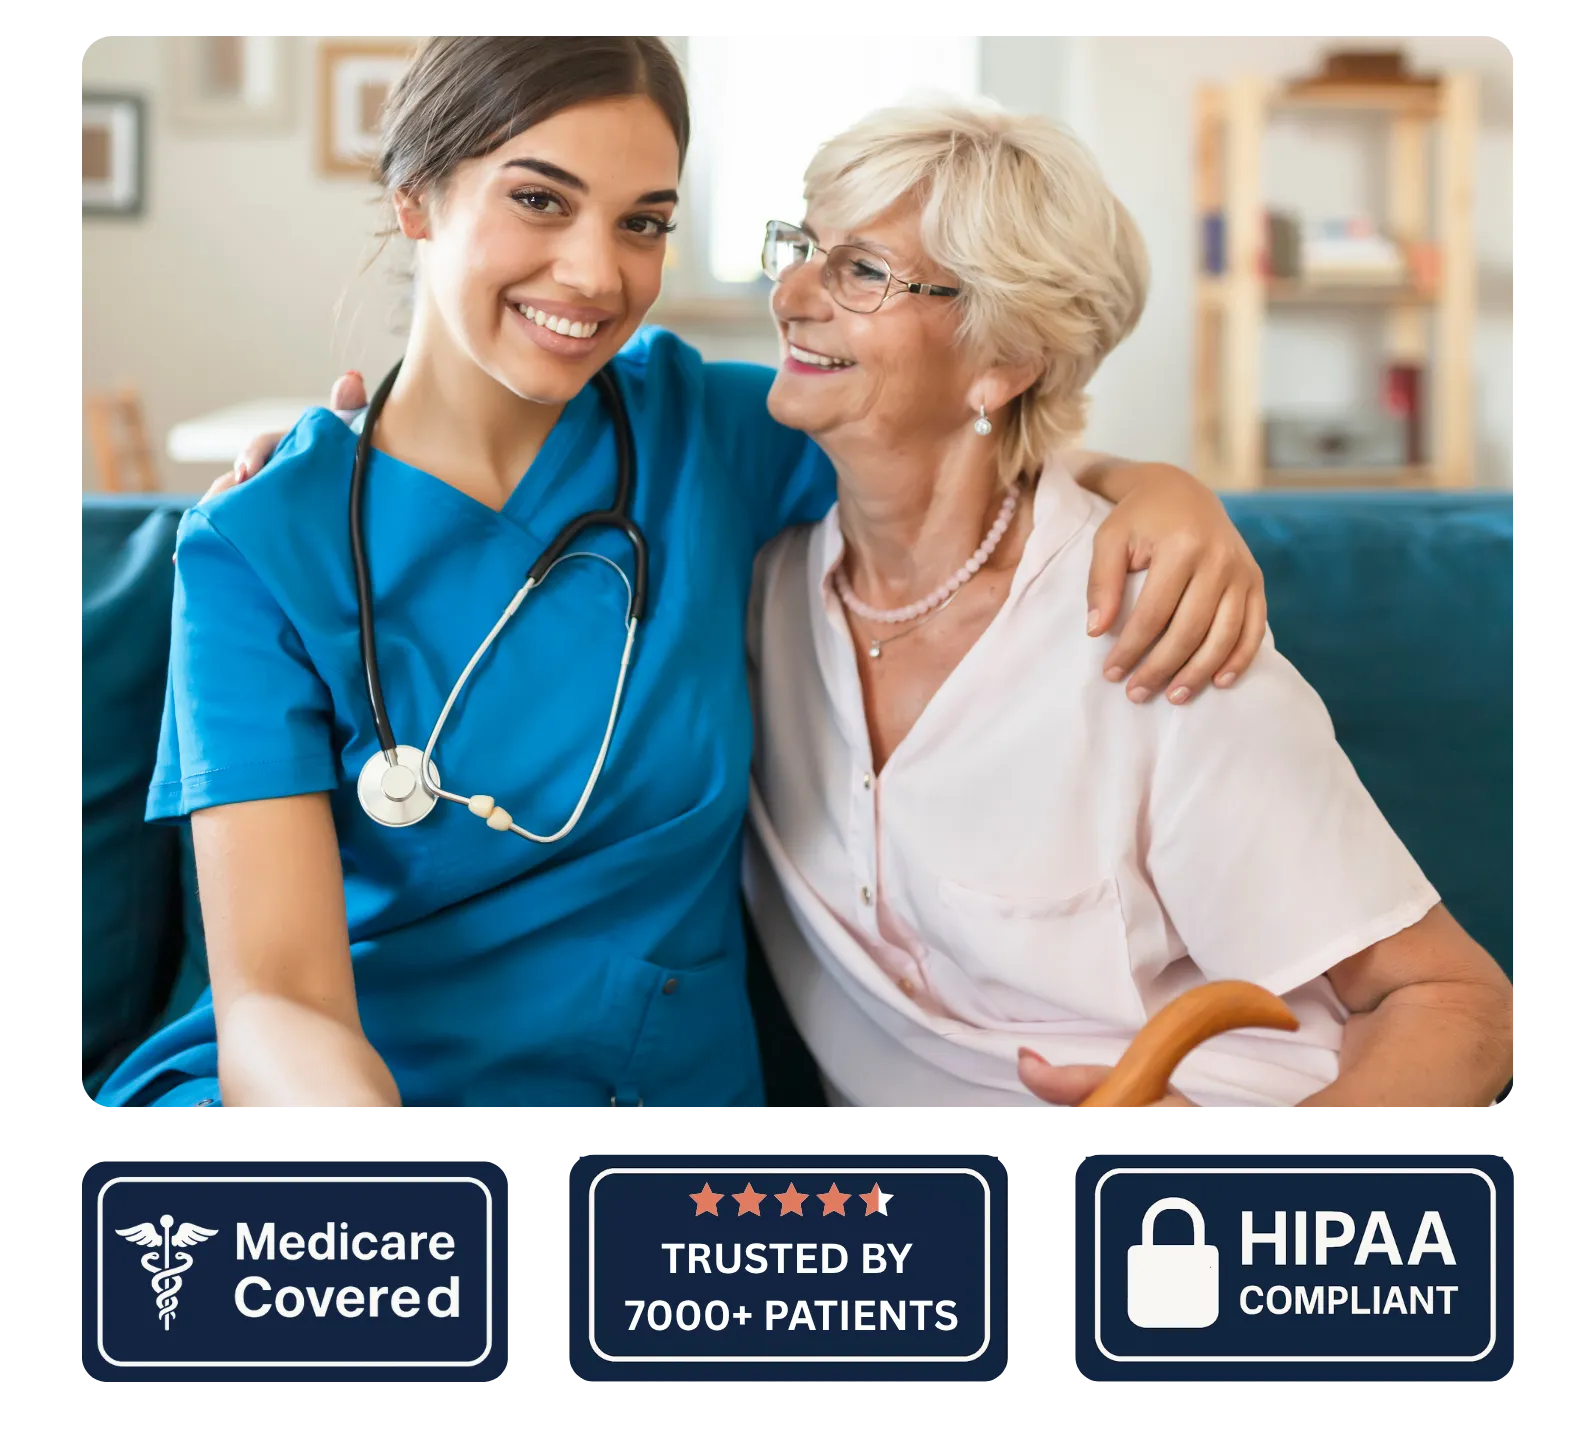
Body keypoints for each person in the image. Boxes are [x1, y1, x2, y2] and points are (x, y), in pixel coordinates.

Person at [95, 35, 1270, 1113]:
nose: (594, 275)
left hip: (659, 1121)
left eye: (643, 223)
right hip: (334, 1094)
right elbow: (282, 1000)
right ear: (415, 198)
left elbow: (953, 437)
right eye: (539, 201)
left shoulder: (699, 431)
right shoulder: (259, 548)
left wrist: (1158, 487)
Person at [739, 99, 1514, 1110]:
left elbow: (1457, 1001)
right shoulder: (757, 593)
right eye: (802, 246)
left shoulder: (1146, 629)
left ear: (1002, 362)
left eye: (863, 270)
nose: (793, 292)